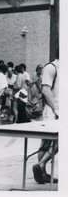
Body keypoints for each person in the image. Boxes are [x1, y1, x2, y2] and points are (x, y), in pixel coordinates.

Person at [32, 47, 59, 184]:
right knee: (47, 141)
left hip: (59, 110)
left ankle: (41, 167)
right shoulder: (51, 67)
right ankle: (41, 169)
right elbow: (45, 90)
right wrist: (57, 109)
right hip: (52, 111)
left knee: (56, 141)